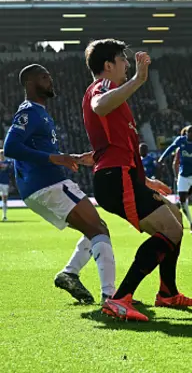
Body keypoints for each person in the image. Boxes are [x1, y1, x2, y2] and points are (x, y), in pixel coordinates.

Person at [82, 39, 192, 322]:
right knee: (170, 230)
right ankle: (120, 298)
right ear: (108, 65)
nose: (127, 64)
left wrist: (145, 180)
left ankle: (168, 293)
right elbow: (99, 106)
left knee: (175, 218)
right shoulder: (102, 88)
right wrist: (138, 78)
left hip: (123, 177)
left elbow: (119, 147)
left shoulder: (116, 96)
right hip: (115, 179)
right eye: (122, 60)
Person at [3, 64, 116, 304]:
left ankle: (69, 274)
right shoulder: (29, 111)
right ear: (31, 83)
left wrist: (71, 157)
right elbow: (11, 147)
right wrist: (55, 158)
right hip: (48, 184)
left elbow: (41, 150)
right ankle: (111, 298)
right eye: (45, 77)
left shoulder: (41, 113)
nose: (50, 81)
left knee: (96, 228)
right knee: (99, 230)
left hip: (40, 186)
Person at [0, 149, 12, 221]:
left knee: (4, 199)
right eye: (1, 154)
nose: (2, 155)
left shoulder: (8, 163)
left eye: (3, 154)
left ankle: (4, 216)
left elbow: (10, 172)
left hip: (5, 183)